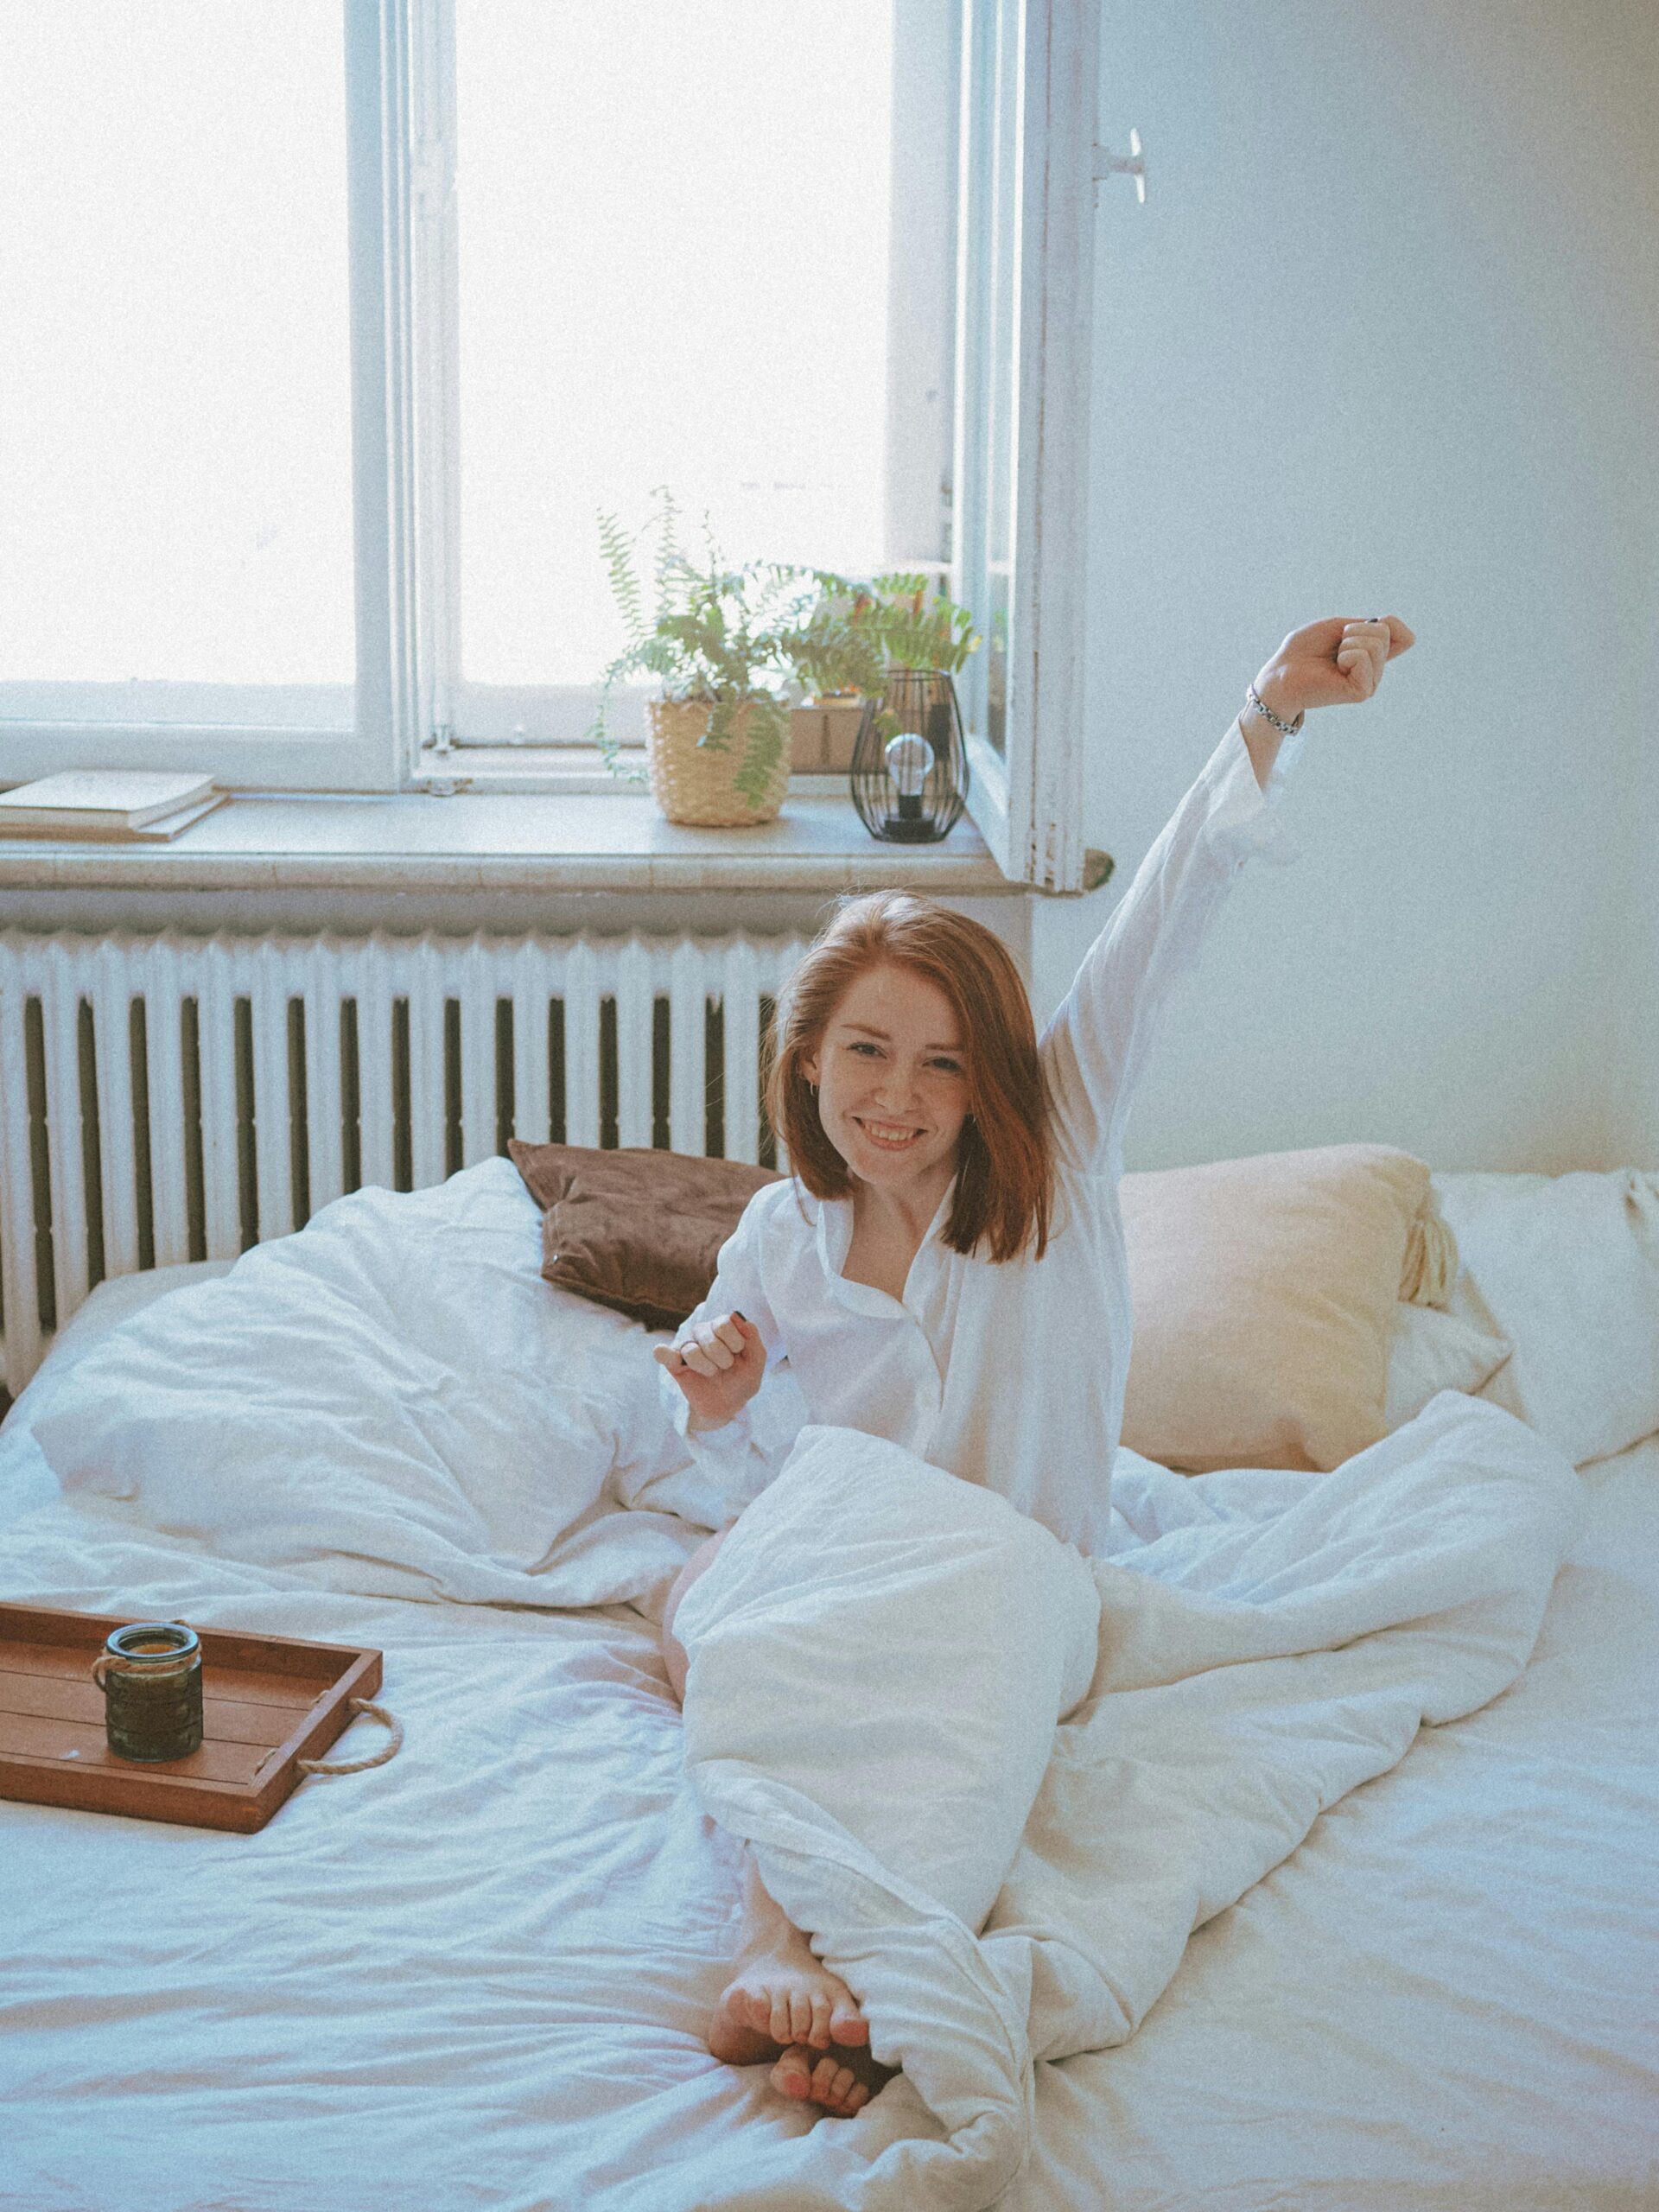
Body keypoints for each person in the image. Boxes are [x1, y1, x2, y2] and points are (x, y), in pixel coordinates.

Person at [654, 615, 1415, 2117]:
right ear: (809, 1061)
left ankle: (864, 1963)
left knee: (929, 1682)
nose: (900, 1097)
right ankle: (773, 1944)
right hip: (854, 1560)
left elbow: (1171, 910)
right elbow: (757, 1481)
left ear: (989, 1077)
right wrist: (722, 1413)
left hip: (1014, 1576)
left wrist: (1269, 709)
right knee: (711, 1614)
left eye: (942, 1063)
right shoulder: (777, 1236)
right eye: (866, 1053)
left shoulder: (1054, 1147)